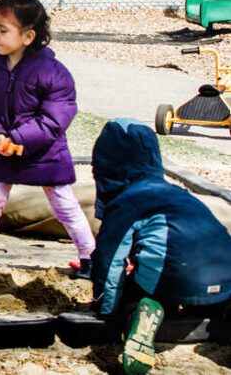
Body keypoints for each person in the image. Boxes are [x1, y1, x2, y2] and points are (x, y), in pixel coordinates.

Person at [0, 0, 95, 278]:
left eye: (3, 30)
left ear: (28, 36)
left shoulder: (52, 72)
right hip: (1, 147)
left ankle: (90, 257)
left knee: (64, 205)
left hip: (42, 152)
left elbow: (55, 118)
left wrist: (19, 139)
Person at [90, 118, 231, 375]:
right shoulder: (179, 194)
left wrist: (106, 310)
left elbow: (109, 262)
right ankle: (220, 312)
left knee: (138, 288)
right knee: (200, 289)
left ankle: (141, 313)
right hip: (224, 274)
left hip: (174, 274)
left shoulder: (127, 201)